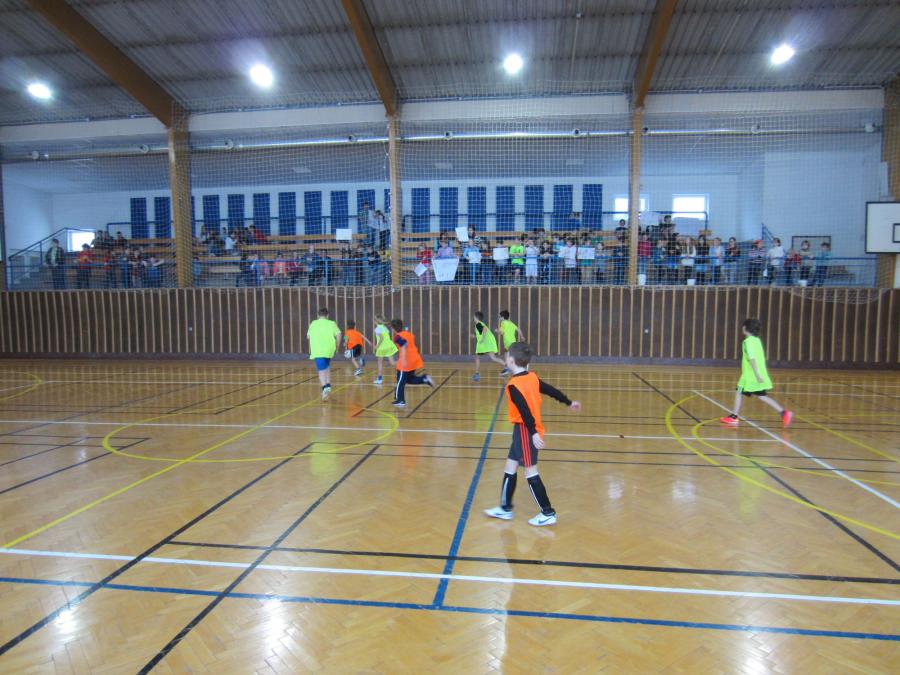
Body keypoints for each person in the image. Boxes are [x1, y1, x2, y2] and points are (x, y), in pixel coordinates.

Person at [483, 342, 581, 527]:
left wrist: (534, 433)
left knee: (530, 471)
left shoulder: (513, 385)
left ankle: (548, 512)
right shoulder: (532, 377)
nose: (505, 358)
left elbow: (525, 410)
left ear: (511, 361)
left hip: (527, 430)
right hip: (521, 430)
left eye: (506, 356)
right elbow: (551, 390)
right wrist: (568, 402)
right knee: (510, 466)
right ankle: (505, 508)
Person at [720, 318, 793, 429]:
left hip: (751, 376)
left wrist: (757, 375)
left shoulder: (747, 342)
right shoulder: (757, 340)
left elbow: (752, 359)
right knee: (744, 392)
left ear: (745, 328)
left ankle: (784, 412)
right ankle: (734, 416)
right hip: (748, 376)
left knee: (758, 395)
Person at [390, 319, 434, 407]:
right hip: (414, 360)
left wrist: (403, 360)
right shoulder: (409, 334)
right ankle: (424, 379)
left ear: (393, 328)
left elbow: (404, 345)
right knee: (408, 379)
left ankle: (400, 400)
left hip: (406, 361)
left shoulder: (397, 337)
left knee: (400, 381)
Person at [307, 307, 342, 401]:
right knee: (326, 366)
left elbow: (308, 336)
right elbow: (339, 334)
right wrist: (337, 346)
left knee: (321, 370)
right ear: (327, 315)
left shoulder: (313, 323)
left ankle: (324, 388)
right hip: (329, 349)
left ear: (318, 315)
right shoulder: (332, 323)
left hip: (318, 350)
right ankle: (328, 385)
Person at [472, 311, 505, 382]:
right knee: (493, 358)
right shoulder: (480, 324)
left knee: (477, 357)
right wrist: (474, 336)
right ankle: (507, 366)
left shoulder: (478, 324)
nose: (473, 318)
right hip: (487, 344)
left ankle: (477, 374)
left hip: (484, 344)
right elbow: (481, 333)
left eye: (474, 317)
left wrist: (482, 339)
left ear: (476, 317)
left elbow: (484, 330)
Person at [371, 315, 398, 385]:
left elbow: (381, 338)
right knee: (392, 362)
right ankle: (404, 363)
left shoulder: (377, 329)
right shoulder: (384, 327)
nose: (373, 320)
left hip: (382, 348)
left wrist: (376, 346)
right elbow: (386, 336)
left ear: (376, 321)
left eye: (374, 319)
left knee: (379, 363)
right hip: (389, 346)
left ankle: (380, 379)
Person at [497, 310, 525, 375]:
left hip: (508, 342)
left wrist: (497, 331)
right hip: (513, 342)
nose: (499, 318)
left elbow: (501, 332)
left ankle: (509, 369)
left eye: (499, 317)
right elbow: (518, 329)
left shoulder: (503, 323)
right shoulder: (511, 323)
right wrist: (522, 336)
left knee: (509, 356)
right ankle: (507, 368)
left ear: (502, 317)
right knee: (506, 354)